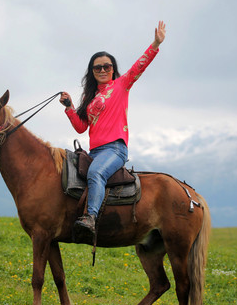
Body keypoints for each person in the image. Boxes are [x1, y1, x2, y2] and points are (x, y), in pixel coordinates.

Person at [60, 21, 166, 233]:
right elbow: (81, 128)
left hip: (115, 149)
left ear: (113, 69)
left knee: (96, 173)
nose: (102, 70)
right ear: (92, 71)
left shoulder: (121, 85)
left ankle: (90, 218)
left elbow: (140, 66)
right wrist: (70, 108)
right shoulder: (90, 98)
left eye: (107, 66)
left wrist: (155, 44)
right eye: (97, 67)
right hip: (95, 151)